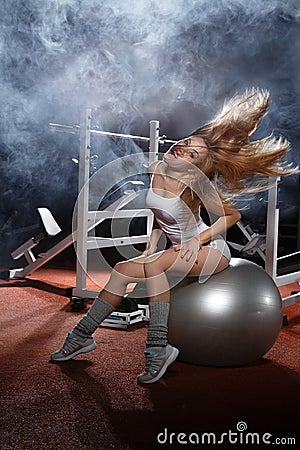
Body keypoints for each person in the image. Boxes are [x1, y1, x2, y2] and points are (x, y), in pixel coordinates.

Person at [51, 88, 297, 384]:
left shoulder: (195, 183)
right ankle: (82, 336)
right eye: (186, 142)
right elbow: (160, 216)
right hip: (178, 249)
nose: (182, 148)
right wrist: (152, 244)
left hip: (210, 252)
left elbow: (232, 216)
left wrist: (198, 239)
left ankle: (157, 350)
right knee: (120, 271)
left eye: (192, 153)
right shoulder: (157, 170)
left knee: (154, 267)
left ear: (196, 167)